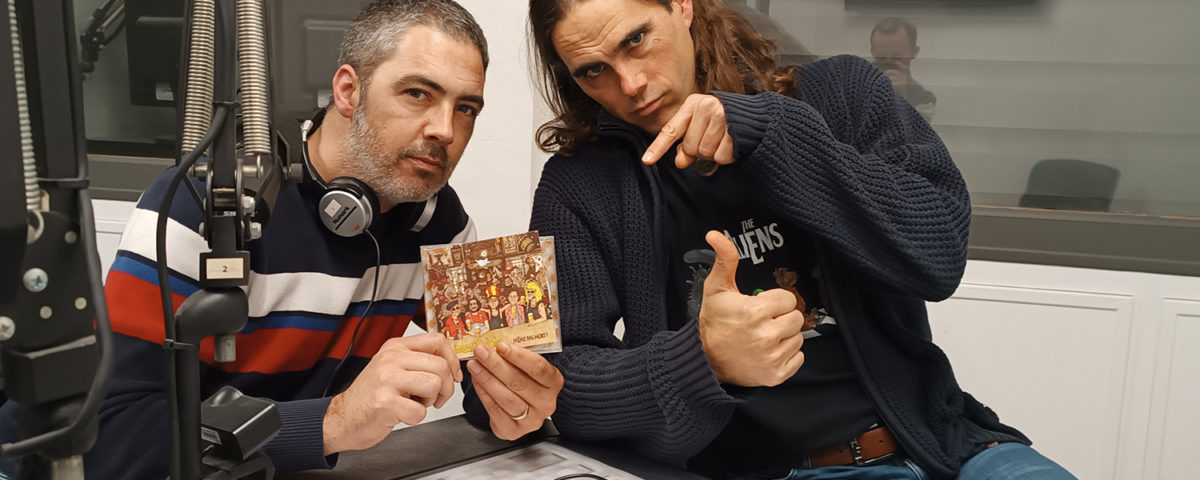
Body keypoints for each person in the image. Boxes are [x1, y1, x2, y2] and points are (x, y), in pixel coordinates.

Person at [0, 1, 563, 477]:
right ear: (348, 90)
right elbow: (103, 434)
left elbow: (496, 392)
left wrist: (517, 403)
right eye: (418, 93)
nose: (445, 129)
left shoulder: (441, 218)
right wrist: (333, 421)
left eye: (466, 108)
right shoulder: (197, 206)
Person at [524, 0, 1073, 479]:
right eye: (593, 70)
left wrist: (770, 132)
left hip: (944, 445)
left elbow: (940, 254)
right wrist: (701, 359)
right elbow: (557, 383)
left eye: (637, 40)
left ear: (682, 5)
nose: (630, 85)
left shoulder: (842, 93)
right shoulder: (578, 183)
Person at [870, 17, 936, 122]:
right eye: (881, 57)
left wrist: (902, 100)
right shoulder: (853, 86)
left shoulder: (924, 100)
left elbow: (915, 132)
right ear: (872, 52)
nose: (888, 62)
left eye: (897, 56)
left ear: (914, 52)